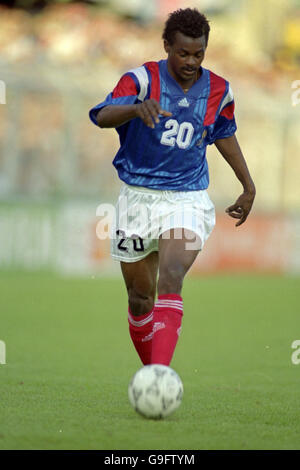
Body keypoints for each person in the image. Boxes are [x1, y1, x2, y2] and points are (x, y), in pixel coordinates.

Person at [89, 8, 256, 367]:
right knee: (139, 299)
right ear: (167, 45)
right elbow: (102, 115)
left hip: (187, 197)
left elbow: (224, 134)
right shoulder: (141, 80)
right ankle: (152, 370)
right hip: (137, 199)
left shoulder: (219, 90)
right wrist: (135, 109)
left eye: (199, 54)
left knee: (172, 274)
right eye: (183, 53)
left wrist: (247, 184)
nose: (191, 61)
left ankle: (161, 374)